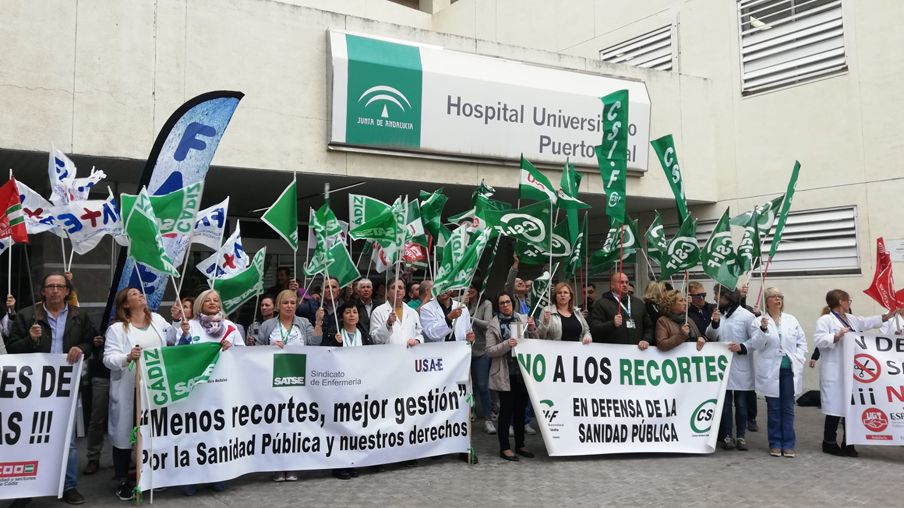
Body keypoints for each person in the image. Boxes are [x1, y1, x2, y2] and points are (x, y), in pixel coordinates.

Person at [8, 273, 100, 505]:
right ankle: (24, 489)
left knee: (66, 439)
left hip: (64, 388)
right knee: (29, 438)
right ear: (43, 291)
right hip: (33, 388)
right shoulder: (27, 315)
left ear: (67, 291)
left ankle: (68, 486)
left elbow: (93, 340)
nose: (55, 290)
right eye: (51, 286)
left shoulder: (79, 315)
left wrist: (81, 347)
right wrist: (30, 339)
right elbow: (11, 349)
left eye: (60, 286)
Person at [104, 288, 171, 500]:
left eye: (141, 293)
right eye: (134, 294)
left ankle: (152, 475)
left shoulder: (158, 321)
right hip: (129, 389)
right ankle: (123, 480)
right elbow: (108, 359)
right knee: (124, 434)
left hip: (154, 388)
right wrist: (127, 357)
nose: (141, 294)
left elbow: (175, 340)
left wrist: (182, 325)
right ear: (125, 304)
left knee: (153, 431)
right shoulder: (117, 329)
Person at [813, 289, 896, 457]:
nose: (849, 302)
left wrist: (886, 316)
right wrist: (836, 336)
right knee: (834, 409)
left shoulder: (850, 319)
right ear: (840, 301)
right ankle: (828, 443)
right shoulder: (825, 320)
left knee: (851, 409)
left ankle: (848, 443)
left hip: (851, 371)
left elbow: (866, 322)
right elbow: (819, 340)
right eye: (847, 299)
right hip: (835, 371)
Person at [746, 287, 808, 458]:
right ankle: (775, 443)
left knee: (788, 408)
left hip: (789, 369)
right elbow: (756, 345)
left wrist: (800, 357)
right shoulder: (759, 321)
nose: (778, 299)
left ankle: (788, 444)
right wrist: (763, 330)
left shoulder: (791, 319)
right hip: (770, 370)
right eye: (773, 297)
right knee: (774, 408)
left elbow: (801, 342)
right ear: (767, 301)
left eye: (780, 296)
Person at [485, 291, 537, 462]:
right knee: (506, 411)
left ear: (513, 303)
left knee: (520, 411)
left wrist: (532, 328)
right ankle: (505, 447)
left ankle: (520, 444)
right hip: (504, 373)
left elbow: (535, 341)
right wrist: (507, 344)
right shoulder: (493, 324)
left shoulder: (522, 319)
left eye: (508, 302)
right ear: (498, 306)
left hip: (522, 372)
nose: (505, 305)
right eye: (502, 303)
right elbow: (489, 351)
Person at [706, 285, 756, 451]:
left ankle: (741, 436)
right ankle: (727, 435)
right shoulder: (719, 313)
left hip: (740, 365)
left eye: (716, 295)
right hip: (723, 366)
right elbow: (712, 336)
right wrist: (714, 323)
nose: (714, 298)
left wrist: (742, 346)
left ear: (727, 297)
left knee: (741, 403)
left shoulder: (747, 316)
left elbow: (756, 339)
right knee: (725, 404)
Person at [589, 272, 653, 347]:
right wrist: (612, 324)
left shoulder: (638, 303)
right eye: (621, 282)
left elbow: (649, 327)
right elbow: (594, 328)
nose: (625, 285)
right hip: (612, 353)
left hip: (636, 353)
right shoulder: (602, 303)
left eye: (627, 282)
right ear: (612, 286)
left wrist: (646, 339)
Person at [466, 283, 496, 435]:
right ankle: (465, 417)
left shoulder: (486, 304)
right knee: (465, 388)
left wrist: (470, 317)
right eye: (468, 287)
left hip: (480, 351)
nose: (470, 290)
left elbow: (489, 324)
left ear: (478, 290)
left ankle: (488, 419)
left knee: (483, 386)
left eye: (473, 287)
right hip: (463, 353)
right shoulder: (461, 302)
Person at [174, 289, 244, 350]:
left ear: (219, 306)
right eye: (207, 301)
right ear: (200, 305)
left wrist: (231, 348)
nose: (212, 303)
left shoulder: (230, 326)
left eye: (216, 301)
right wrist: (185, 335)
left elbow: (241, 352)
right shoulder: (189, 325)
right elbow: (179, 353)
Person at [256, 290, 323, 350]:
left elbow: (315, 343)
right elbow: (258, 349)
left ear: (296, 306)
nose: (289, 306)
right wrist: (271, 348)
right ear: (278, 305)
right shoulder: (266, 325)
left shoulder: (304, 322)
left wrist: (318, 323)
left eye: (292, 303)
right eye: (285, 303)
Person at [371, 279, 424, 346]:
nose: (397, 290)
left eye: (400, 288)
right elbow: (375, 339)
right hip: (388, 355)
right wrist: (388, 324)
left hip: (410, 354)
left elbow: (419, 334)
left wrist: (417, 340)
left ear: (404, 292)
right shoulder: (378, 312)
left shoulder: (412, 312)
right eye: (393, 288)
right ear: (387, 293)